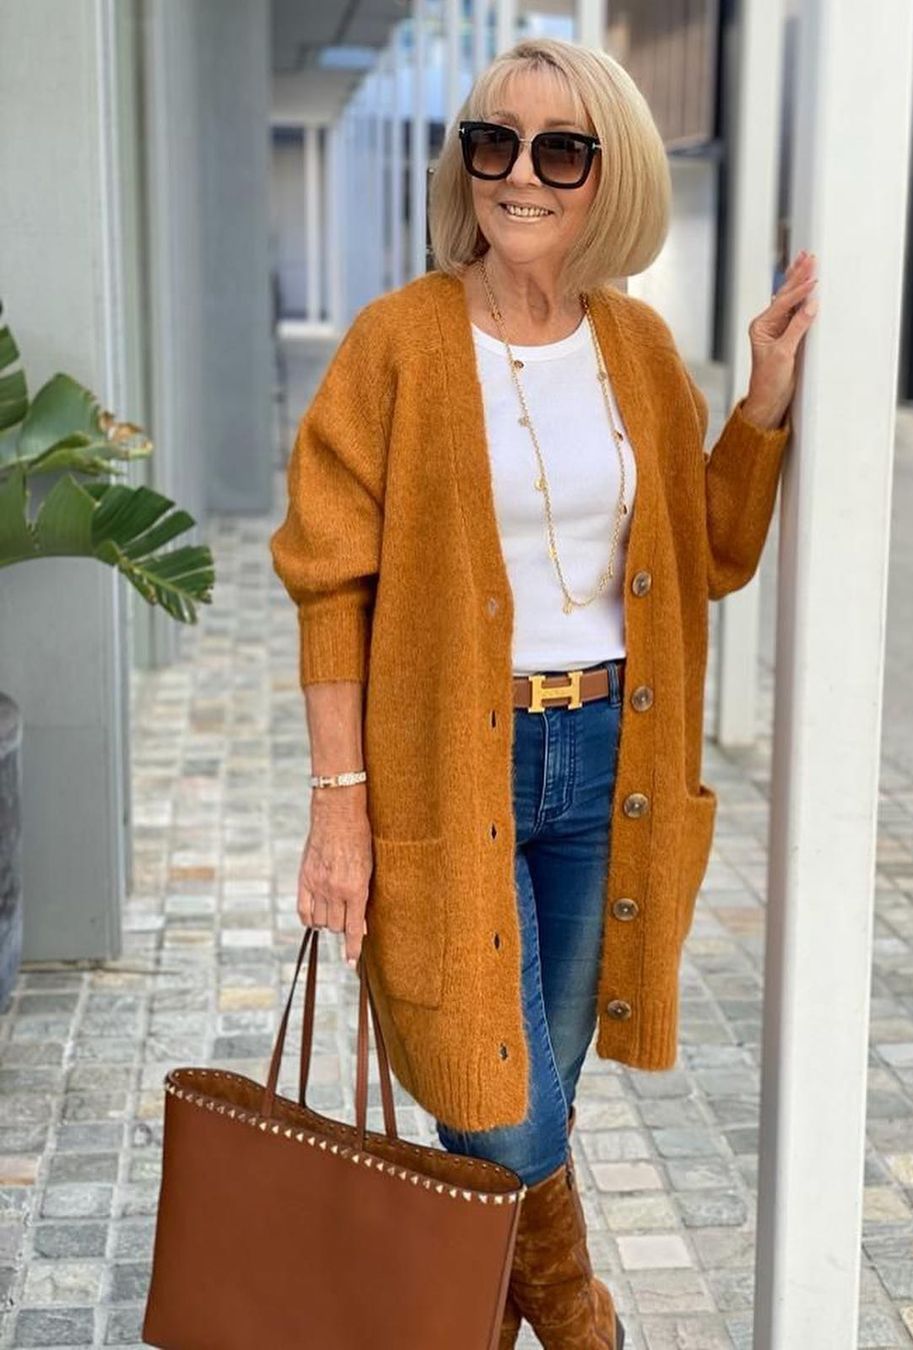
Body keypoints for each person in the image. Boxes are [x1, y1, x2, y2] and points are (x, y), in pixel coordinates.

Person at [269, 34, 817, 1350]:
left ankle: (476, 1321)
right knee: (498, 1102)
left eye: (560, 149)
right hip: (454, 767)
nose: (520, 173)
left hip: (609, 761)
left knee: (544, 1077)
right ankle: (585, 1328)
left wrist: (760, 407)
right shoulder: (396, 343)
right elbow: (328, 582)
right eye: (494, 141)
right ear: (465, 164)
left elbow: (709, 553)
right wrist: (339, 805)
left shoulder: (636, 346)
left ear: (606, 175)